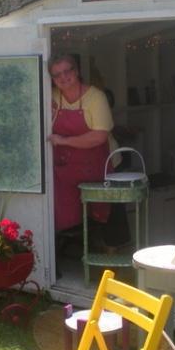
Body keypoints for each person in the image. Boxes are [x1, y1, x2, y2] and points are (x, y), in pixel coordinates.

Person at [48, 54, 115, 236]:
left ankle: (107, 250)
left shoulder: (96, 97)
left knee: (103, 219)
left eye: (67, 71)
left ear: (76, 71)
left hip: (96, 166)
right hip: (64, 169)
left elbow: (99, 136)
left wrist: (63, 141)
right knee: (67, 219)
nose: (63, 77)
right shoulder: (51, 96)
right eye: (56, 75)